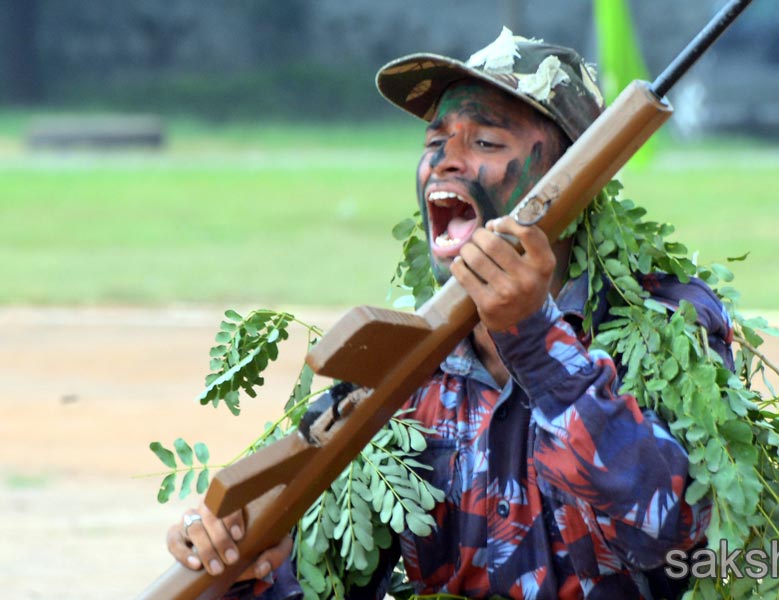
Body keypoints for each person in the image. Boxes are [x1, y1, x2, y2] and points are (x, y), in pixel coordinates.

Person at [167, 28, 733, 599]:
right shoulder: (405, 367)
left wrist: (535, 341)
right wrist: (245, 567)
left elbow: (674, 532)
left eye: (486, 143)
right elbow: (326, 583)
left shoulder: (668, 323)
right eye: (435, 141)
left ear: (571, 180)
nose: (445, 162)